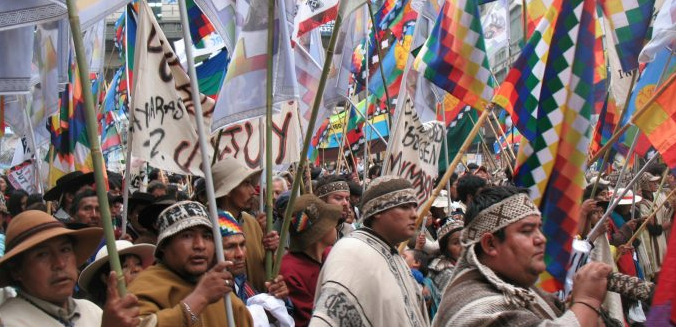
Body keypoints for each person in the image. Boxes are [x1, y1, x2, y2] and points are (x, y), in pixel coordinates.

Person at [432, 186, 612, 326]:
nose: (541, 239)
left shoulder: (520, 289)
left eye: (539, 228)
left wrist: (574, 308)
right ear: (490, 244)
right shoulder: (478, 310)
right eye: (527, 231)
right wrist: (587, 301)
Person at [310, 176, 430, 326]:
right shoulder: (351, 252)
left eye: (414, 207)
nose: (415, 215)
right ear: (377, 210)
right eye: (405, 207)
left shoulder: (393, 254)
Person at [0, 210, 142, 326]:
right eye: (42, 254)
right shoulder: (8, 321)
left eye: (65, 250)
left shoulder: (90, 310)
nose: (60, 263)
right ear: (16, 270)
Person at [128, 201, 253, 326]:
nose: (200, 245)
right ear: (163, 245)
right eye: (187, 236)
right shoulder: (144, 288)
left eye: (207, 237)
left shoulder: (225, 298)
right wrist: (200, 298)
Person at [212, 157, 280, 292]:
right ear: (229, 190)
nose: (253, 191)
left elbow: (265, 270)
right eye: (245, 184)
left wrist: (271, 251)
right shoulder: (209, 228)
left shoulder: (251, 222)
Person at [219, 210, 294, 326]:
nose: (240, 254)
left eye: (242, 245)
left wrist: (280, 297)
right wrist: (266, 313)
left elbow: (285, 311)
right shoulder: (211, 293)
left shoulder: (239, 281)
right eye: (230, 247)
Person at [280, 194, 342, 327]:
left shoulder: (332, 254)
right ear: (320, 232)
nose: (335, 226)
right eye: (331, 222)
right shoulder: (289, 271)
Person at [78, 240, 155, 307]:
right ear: (106, 278)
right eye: (125, 266)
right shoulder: (99, 314)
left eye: (138, 264)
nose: (135, 269)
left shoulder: (151, 300)